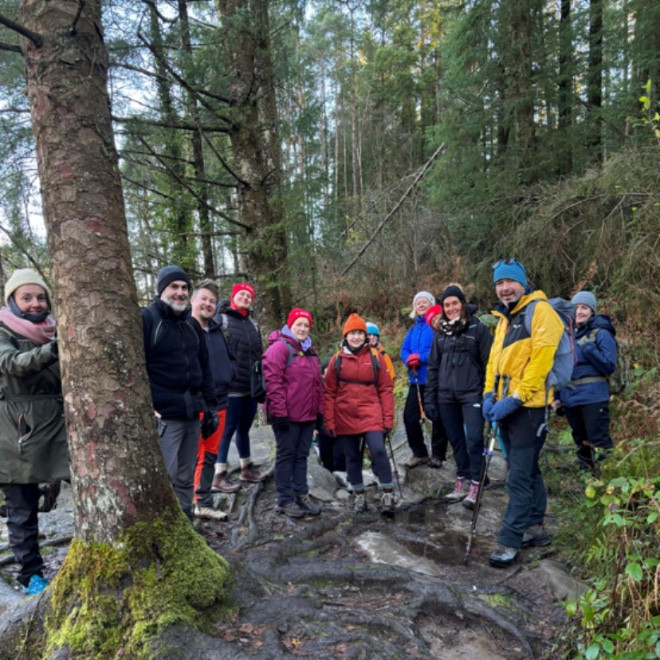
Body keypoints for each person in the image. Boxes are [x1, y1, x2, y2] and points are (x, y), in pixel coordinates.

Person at [483, 259, 564, 567]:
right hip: (505, 406)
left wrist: (516, 398)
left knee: (517, 475)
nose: (505, 288)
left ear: (522, 282)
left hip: (529, 409)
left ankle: (510, 539)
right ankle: (535, 525)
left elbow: (541, 363)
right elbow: (493, 363)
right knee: (528, 468)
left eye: (510, 282)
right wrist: (488, 395)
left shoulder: (540, 311)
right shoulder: (505, 319)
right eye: (499, 283)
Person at [0, 269, 68, 595]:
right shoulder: (3, 330)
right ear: (12, 300)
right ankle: (30, 575)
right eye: (26, 297)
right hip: (17, 434)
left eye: (40, 297)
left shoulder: (55, 329)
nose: (35, 303)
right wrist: (54, 349)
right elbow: (13, 364)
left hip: (57, 427)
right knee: (21, 507)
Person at [141, 265, 218, 520]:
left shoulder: (191, 325)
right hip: (165, 416)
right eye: (174, 286)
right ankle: (164, 525)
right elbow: (134, 368)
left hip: (191, 413)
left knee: (186, 475)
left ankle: (186, 523)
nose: (180, 292)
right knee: (166, 476)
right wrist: (144, 405)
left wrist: (210, 407)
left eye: (184, 287)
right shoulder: (148, 320)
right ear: (161, 289)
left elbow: (204, 368)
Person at [424, 285, 493, 508]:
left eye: (455, 303)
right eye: (447, 305)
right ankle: (462, 479)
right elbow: (433, 367)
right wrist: (430, 399)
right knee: (456, 441)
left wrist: (488, 394)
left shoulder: (478, 329)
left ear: (462, 304)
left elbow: (489, 364)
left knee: (474, 439)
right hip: (446, 396)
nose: (451, 308)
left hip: (472, 393)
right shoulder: (440, 333)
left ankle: (477, 482)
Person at [323, 314, 396, 516]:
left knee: (378, 450)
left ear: (365, 336)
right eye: (352, 333)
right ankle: (359, 495)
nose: (356, 337)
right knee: (352, 456)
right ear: (346, 336)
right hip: (344, 414)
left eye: (359, 333)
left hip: (371, 411)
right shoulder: (337, 360)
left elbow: (386, 389)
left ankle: (387, 493)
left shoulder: (375, 357)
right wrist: (329, 421)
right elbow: (329, 392)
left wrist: (388, 418)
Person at [262, 308, 323, 519]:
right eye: (299, 324)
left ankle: (301, 494)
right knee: (286, 455)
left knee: (302, 456)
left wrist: (319, 413)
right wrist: (279, 413)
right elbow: (273, 382)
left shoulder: (310, 351)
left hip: (308, 415)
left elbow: (317, 385)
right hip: (286, 416)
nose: (303, 329)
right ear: (290, 325)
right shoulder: (280, 348)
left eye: (306, 325)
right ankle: (284, 499)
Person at [189, 280, 237, 522]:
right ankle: (193, 502)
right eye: (204, 299)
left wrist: (230, 373)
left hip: (220, 401)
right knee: (195, 455)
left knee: (211, 454)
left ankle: (203, 500)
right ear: (193, 301)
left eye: (212, 301)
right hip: (196, 404)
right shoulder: (185, 330)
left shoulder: (218, 330)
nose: (208, 304)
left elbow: (228, 358)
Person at [212, 282, 265, 489]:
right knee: (227, 430)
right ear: (233, 296)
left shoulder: (252, 324)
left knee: (244, 429)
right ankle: (219, 475)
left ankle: (246, 468)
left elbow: (258, 355)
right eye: (241, 294)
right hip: (230, 387)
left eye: (248, 296)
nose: (245, 298)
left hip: (250, 386)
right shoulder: (222, 319)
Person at [555, 291, 616, 471]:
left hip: (593, 396)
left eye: (584, 308)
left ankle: (608, 476)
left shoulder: (601, 333)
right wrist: (557, 396)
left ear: (592, 311)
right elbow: (560, 368)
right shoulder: (566, 334)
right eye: (576, 307)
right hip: (570, 397)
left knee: (599, 440)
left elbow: (609, 365)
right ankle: (587, 476)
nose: (579, 312)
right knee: (580, 440)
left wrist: (589, 349)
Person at [400, 291, 447, 468]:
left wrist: (421, 358)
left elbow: (439, 350)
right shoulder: (413, 329)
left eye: (424, 302)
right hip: (416, 380)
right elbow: (404, 350)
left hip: (434, 379)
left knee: (436, 416)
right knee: (409, 417)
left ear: (432, 305)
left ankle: (438, 455)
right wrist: (409, 359)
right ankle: (419, 452)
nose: (420, 304)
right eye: (417, 302)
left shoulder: (435, 326)